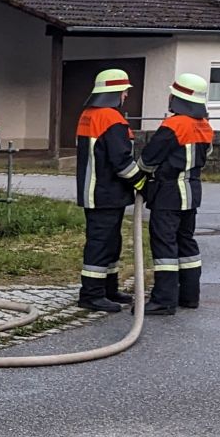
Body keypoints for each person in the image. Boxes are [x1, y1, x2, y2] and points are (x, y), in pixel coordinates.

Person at [139, 72, 214, 315]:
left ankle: (163, 300)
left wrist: (141, 175)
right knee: (187, 243)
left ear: (177, 97)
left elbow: (148, 160)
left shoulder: (174, 125)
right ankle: (189, 296)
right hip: (192, 191)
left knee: (164, 247)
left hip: (168, 193)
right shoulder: (205, 125)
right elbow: (206, 155)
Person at [73, 69, 143, 313]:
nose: (126, 95)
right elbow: (121, 161)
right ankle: (92, 294)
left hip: (96, 191)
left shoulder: (89, 114)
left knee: (110, 242)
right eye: (124, 91)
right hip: (106, 192)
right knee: (102, 244)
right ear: (116, 93)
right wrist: (142, 183)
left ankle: (108, 288)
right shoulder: (111, 119)